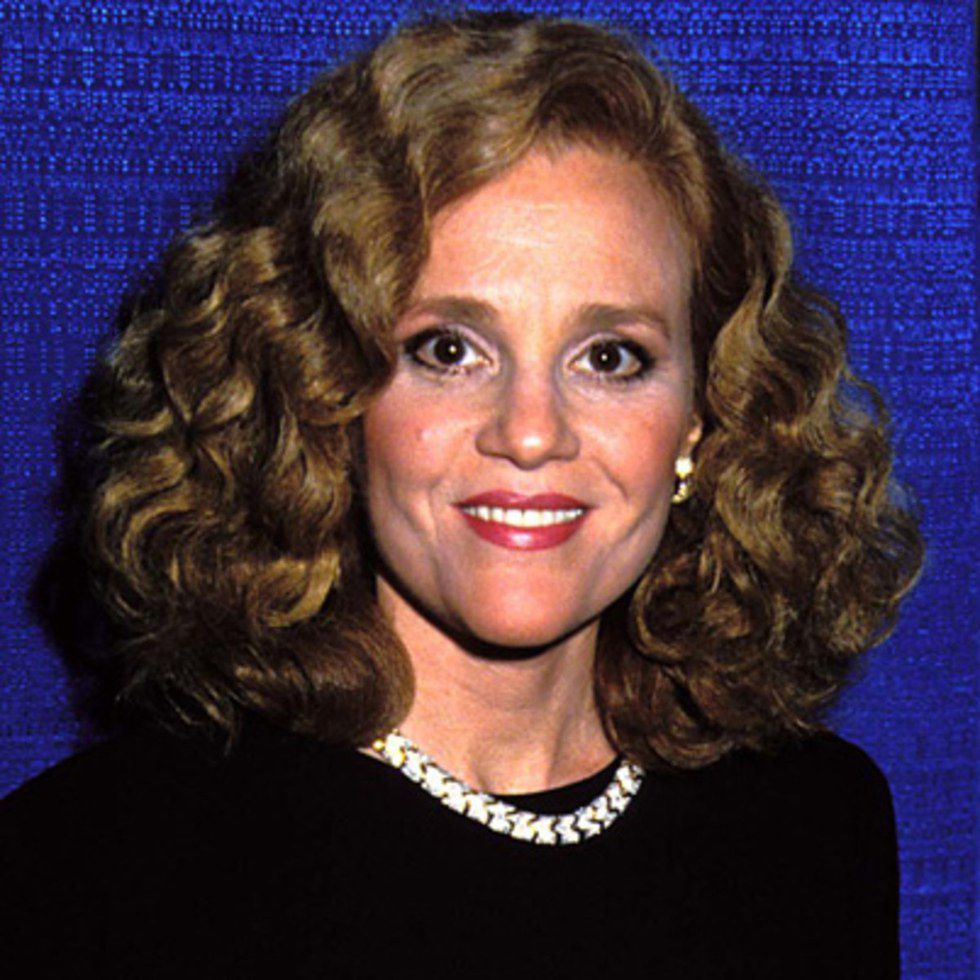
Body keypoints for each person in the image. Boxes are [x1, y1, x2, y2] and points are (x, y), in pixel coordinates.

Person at [2, 11, 922, 977]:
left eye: (611, 357)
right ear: (325, 392)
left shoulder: (816, 822)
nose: (530, 432)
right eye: (448, 350)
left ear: (701, 415)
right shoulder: (91, 873)